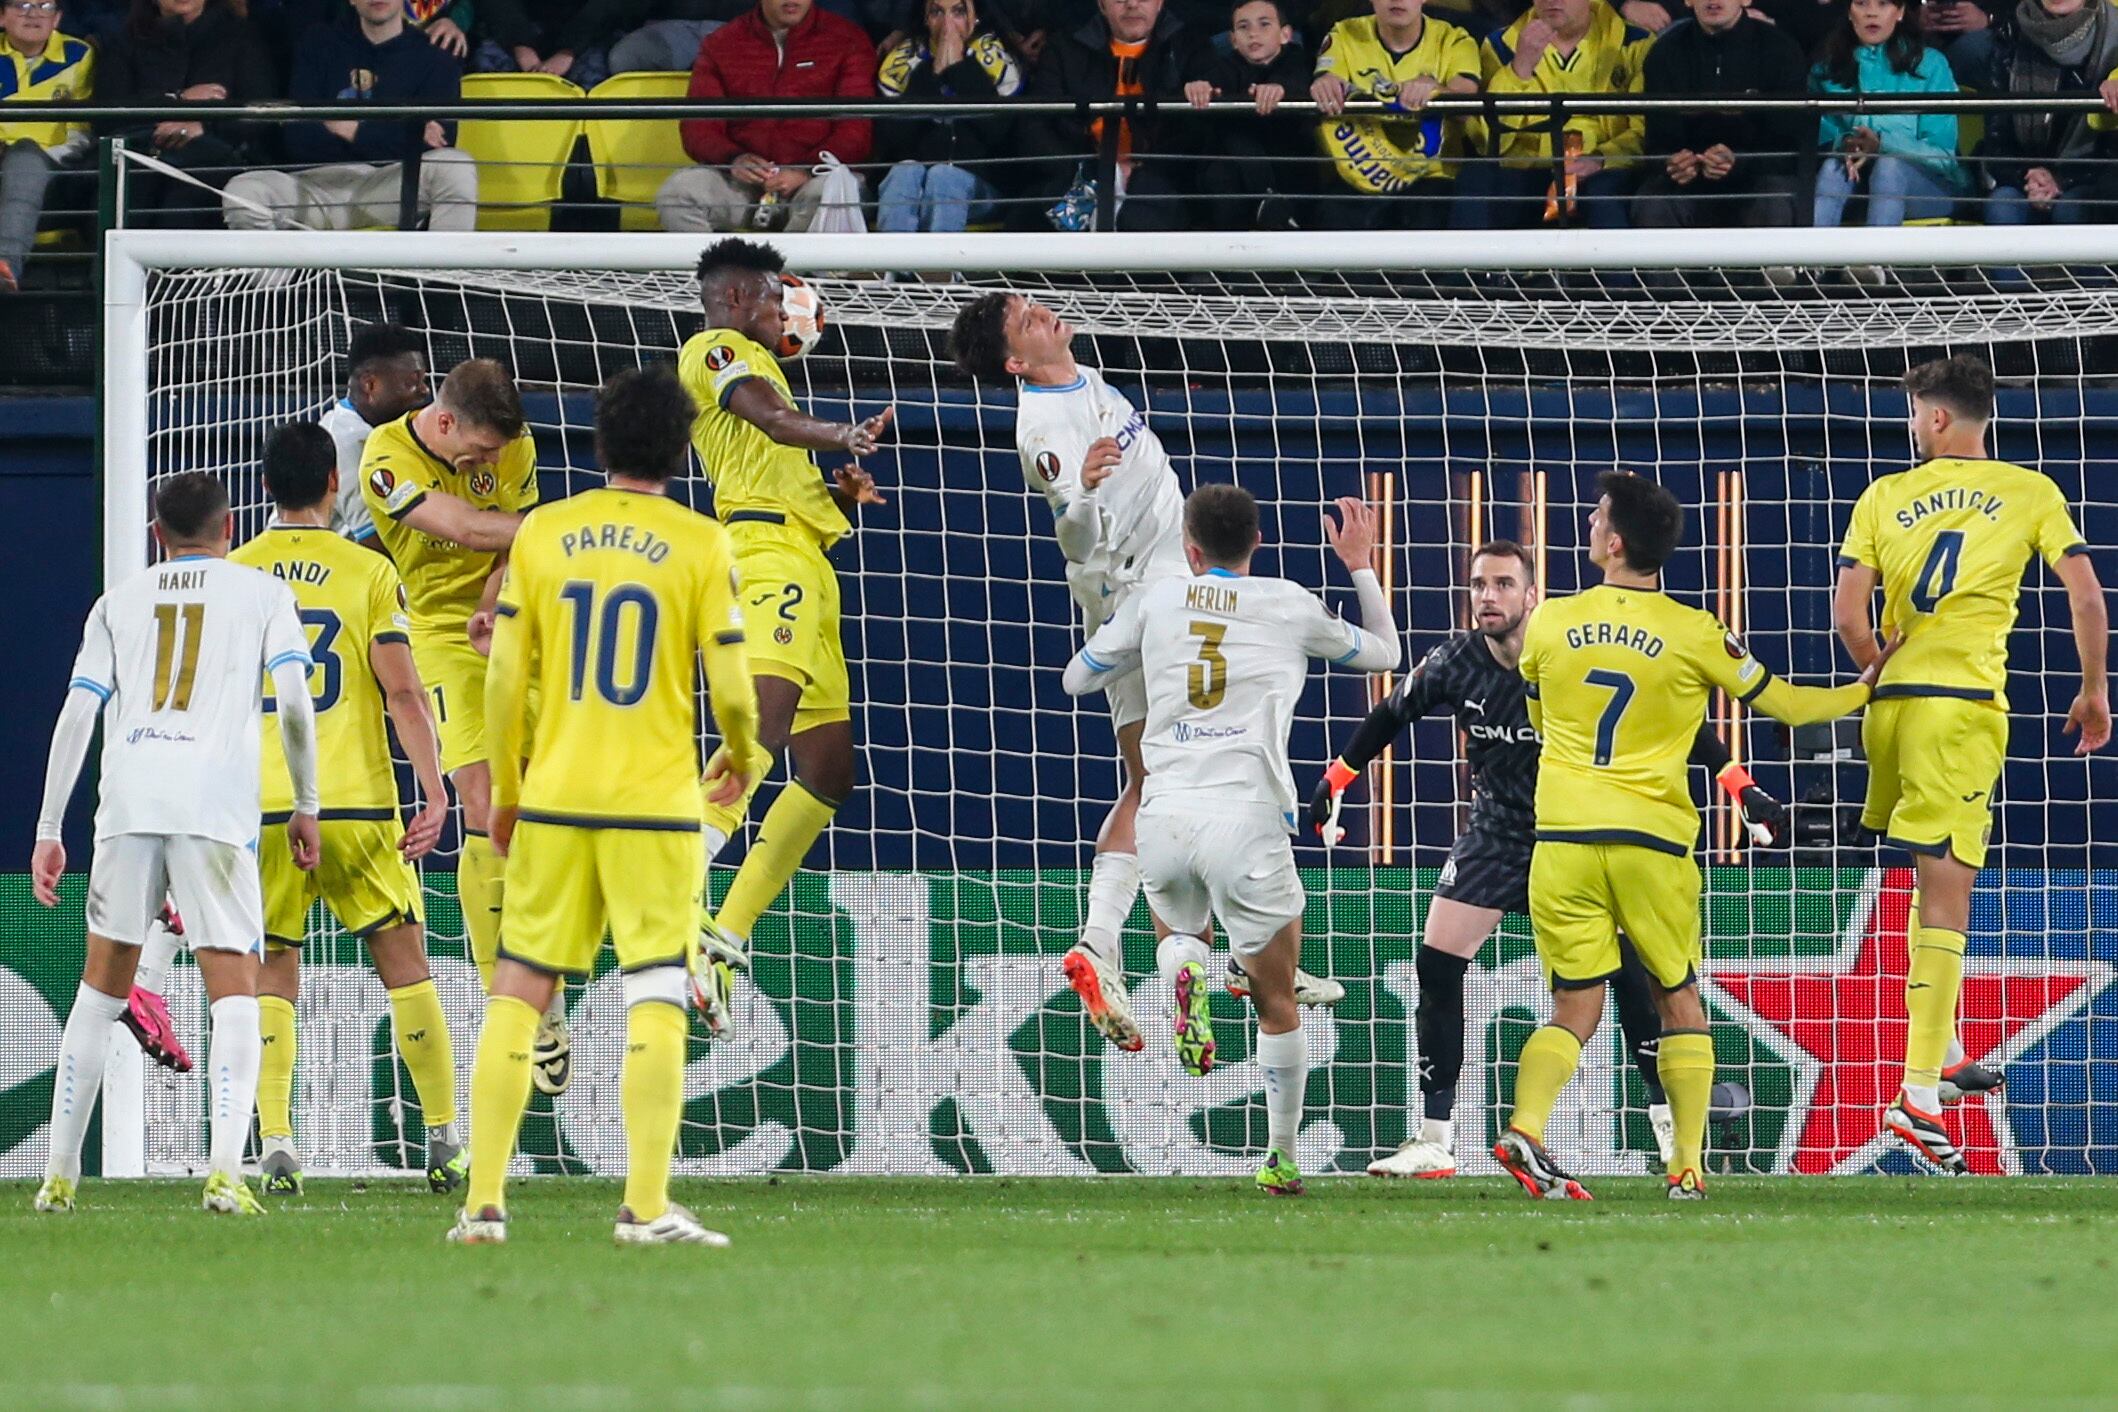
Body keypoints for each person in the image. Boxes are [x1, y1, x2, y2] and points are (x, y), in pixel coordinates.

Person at [949, 288, 1343, 1065]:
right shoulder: (1044, 426)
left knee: (1164, 779)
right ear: (1013, 359)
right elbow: (1074, 529)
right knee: (1172, 780)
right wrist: (1083, 493)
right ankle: (1158, 950)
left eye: (1035, 303)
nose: (1044, 313)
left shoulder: (1080, 379)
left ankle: (1138, 947)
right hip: (1146, 604)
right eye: (1027, 320)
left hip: (1164, 600)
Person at [1312, 541, 1786, 1179]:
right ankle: (1434, 1137)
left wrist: (1739, 784)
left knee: (1630, 978)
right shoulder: (1455, 661)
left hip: (1578, 831)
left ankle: (1668, 1124)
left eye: (1504, 584)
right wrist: (1339, 774)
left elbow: (1682, 724)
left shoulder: (1565, 648)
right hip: (1498, 832)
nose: (1488, 596)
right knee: (1436, 961)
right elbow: (1391, 713)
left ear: (1532, 594)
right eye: (1479, 584)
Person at [1495, 472, 1886, 1202]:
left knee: (1575, 1005)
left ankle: (1528, 1124)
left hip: (1563, 840)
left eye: (1596, 513)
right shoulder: (1695, 630)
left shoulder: (1547, 622)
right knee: (1678, 999)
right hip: (1651, 845)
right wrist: (1867, 686)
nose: (1586, 519)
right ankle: (1687, 1169)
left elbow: (1543, 722)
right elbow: (1790, 707)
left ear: (1614, 544)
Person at [453, 367, 760, 1246]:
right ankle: (646, 1206)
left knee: (519, 988)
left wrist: (508, 792)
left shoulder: (545, 532)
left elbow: (506, 675)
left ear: (600, 443)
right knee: (656, 991)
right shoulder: (702, 543)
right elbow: (733, 689)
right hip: (656, 805)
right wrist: (739, 756)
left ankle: (482, 1205)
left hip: (551, 797)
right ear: (681, 450)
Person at [1061, 487, 1401, 1195]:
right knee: (1279, 997)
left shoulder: (1157, 599)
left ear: (1190, 549)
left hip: (1162, 813)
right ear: (1256, 542)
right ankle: (1279, 1157)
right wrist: (1361, 566)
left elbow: (1077, 680)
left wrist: (1135, 648)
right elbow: (1385, 654)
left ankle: (1184, 963)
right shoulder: (1288, 600)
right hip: (1245, 820)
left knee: (1183, 927)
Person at [1833, 354, 2109, 1173]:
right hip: (1960, 711)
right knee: (1951, 897)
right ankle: (1919, 1096)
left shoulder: (1883, 496)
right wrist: (2094, 688)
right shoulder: (2031, 492)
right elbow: (2086, 596)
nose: (1911, 425)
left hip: (1892, 711)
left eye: (1915, 413)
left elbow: (1849, 612)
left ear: (1939, 418)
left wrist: (1875, 668)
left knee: (1925, 881)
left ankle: (1946, 1051)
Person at [30, 472, 321, 1217]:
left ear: (157, 534)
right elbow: (293, 701)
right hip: (212, 803)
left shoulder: (117, 602)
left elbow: (77, 711)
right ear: (230, 529)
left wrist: (48, 827)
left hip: (127, 798)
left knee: (100, 992)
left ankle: (59, 1178)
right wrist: (305, 804)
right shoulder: (262, 595)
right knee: (234, 990)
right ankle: (225, 1171)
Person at [215, 424, 456, 1197]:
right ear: (332, 482)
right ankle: (446, 1139)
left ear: (262, 489)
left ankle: (277, 1138)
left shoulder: (234, 572)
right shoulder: (367, 571)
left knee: (272, 966)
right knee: (403, 958)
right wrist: (435, 785)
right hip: (353, 801)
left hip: (258, 805)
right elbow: (403, 692)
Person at [677, 239, 890, 1037]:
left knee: (830, 770)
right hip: (767, 562)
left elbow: (772, 443)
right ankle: (681, 884)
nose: (784, 310)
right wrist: (841, 435)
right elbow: (764, 416)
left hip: (802, 561)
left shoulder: (771, 372)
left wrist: (837, 488)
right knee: (758, 729)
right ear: (736, 298)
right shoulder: (719, 347)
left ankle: (722, 939)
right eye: (773, 297)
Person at [354, 358, 566, 1084]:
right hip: (439, 638)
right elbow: (473, 527)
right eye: (475, 455)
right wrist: (551, 528)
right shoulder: (384, 458)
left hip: (515, 618)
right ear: (443, 424)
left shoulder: (514, 444)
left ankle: (545, 977)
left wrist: (497, 598)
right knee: (482, 802)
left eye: (494, 457)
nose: (485, 465)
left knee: (539, 802)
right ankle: (511, 998)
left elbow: (509, 545)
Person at [221, 0, 477, 233]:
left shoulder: (436, 58)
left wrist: (347, 128)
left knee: (454, 166)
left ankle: (438, 283)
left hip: (392, 188)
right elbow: (299, 140)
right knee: (244, 191)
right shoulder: (317, 44)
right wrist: (401, 133)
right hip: (314, 187)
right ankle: (280, 285)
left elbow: (439, 143)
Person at [654, 0, 876, 234]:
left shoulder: (848, 39)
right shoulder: (722, 43)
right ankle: (714, 270)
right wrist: (734, 159)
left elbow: (856, 130)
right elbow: (698, 127)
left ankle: (787, 271)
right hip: (743, 183)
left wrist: (805, 170)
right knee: (677, 194)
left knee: (829, 193)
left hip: (815, 178)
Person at [1451, 0, 1650, 230]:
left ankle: (1614, 267)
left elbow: (1646, 131)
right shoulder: (1499, 45)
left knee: (1605, 194)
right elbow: (1488, 143)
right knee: (1475, 180)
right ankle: (1467, 267)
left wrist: (1602, 159)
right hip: (1526, 170)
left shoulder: (1636, 43)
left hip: (1604, 169)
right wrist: (1519, 69)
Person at [1023, 0, 1206, 232]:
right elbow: (1035, 125)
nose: (1131, 4)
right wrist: (1089, 170)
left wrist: (1136, 170)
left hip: (1162, 177)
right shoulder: (1064, 48)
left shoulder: (1190, 45)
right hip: (1077, 174)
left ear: (1160, 3)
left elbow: (1199, 131)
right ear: (1101, 5)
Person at [97, 0, 278, 229]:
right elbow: (106, 114)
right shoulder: (126, 40)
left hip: (219, 157)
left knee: (182, 204)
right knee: (127, 195)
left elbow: (261, 109)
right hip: (141, 154)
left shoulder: (241, 35)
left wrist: (205, 128)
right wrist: (177, 98)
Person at [1632, 0, 1808, 228]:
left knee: (1773, 199)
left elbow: (1789, 147)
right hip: (1687, 183)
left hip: (1758, 179)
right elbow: (1656, 141)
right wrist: (1672, 164)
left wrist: (1739, 163)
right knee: (1652, 202)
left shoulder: (1781, 50)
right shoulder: (1664, 53)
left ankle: (1771, 265)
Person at [1308, 0, 1478, 230]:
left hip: (1431, 177)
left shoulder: (1454, 39)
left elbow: (1465, 102)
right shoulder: (1344, 33)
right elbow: (1329, 79)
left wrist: (1435, 88)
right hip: (1359, 175)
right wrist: (1324, 83)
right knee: (1332, 216)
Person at [1811, 0, 1967, 229]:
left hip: (1930, 188)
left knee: (1889, 167)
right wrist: (1844, 144)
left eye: (1883, 4)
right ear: (1849, 12)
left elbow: (1944, 157)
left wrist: (1882, 144)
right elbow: (1817, 141)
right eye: (1861, 4)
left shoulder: (1931, 64)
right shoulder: (1826, 69)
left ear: (1901, 11)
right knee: (1832, 169)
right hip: (1857, 187)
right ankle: (1811, 261)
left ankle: (1874, 263)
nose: (1871, 13)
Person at [876, 0, 1021, 234]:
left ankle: (939, 268)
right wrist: (931, 75)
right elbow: (896, 140)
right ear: (926, 19)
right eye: (936, 13)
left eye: (958, 12)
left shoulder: (999, 59)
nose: (947, 25)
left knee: (944, 176)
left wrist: (960, 69)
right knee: (904, 172)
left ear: (975, 18)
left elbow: (999, 134)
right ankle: (895, 268)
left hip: (983, 189)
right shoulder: (906, 62)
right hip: (919, 186)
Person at [1974, 0, 2118, 225]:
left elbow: (2112, 147)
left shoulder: (2113, 33)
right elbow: (1997, 136)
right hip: (2028, 178)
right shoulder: (2010, 34)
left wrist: (2063, 181)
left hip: (2095, 178)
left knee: (2073, 210)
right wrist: (2030, 176)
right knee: (2002, 206)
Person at [0, 0, 93, 291]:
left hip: (54, 165)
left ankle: (6, 264)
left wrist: (36, 154)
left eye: (45, 5)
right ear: (1, 17)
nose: (34, 14)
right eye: (22, 4)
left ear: (57, 18)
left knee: (25, 156)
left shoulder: (78, 54)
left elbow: (80, 134)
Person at [320, 323, 432, 545]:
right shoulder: (344, 441)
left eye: (423, 380)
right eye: (412, 382)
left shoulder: (384, 431)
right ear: (371, 385)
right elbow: (375, 540)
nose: (424, 390)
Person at [470, 0, 626, 89]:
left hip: (588, 32)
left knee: (597, 74)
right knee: (487, 62)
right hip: (516, 28)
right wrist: (521, 45)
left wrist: (568, 50)